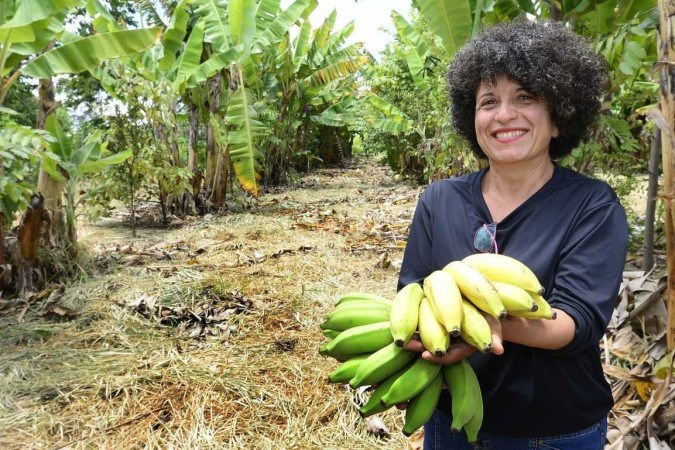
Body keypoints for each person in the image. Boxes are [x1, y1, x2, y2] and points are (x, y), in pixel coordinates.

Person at [398, 19, 629, 450]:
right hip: (451, 421)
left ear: (559, 118)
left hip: (554, 431)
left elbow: (575, 323)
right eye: (489, 101)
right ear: (472, 120)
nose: (504, 115)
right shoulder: (439, 200)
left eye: (525, 97)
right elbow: (412, 291)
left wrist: (475, 325)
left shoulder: (593, 206)